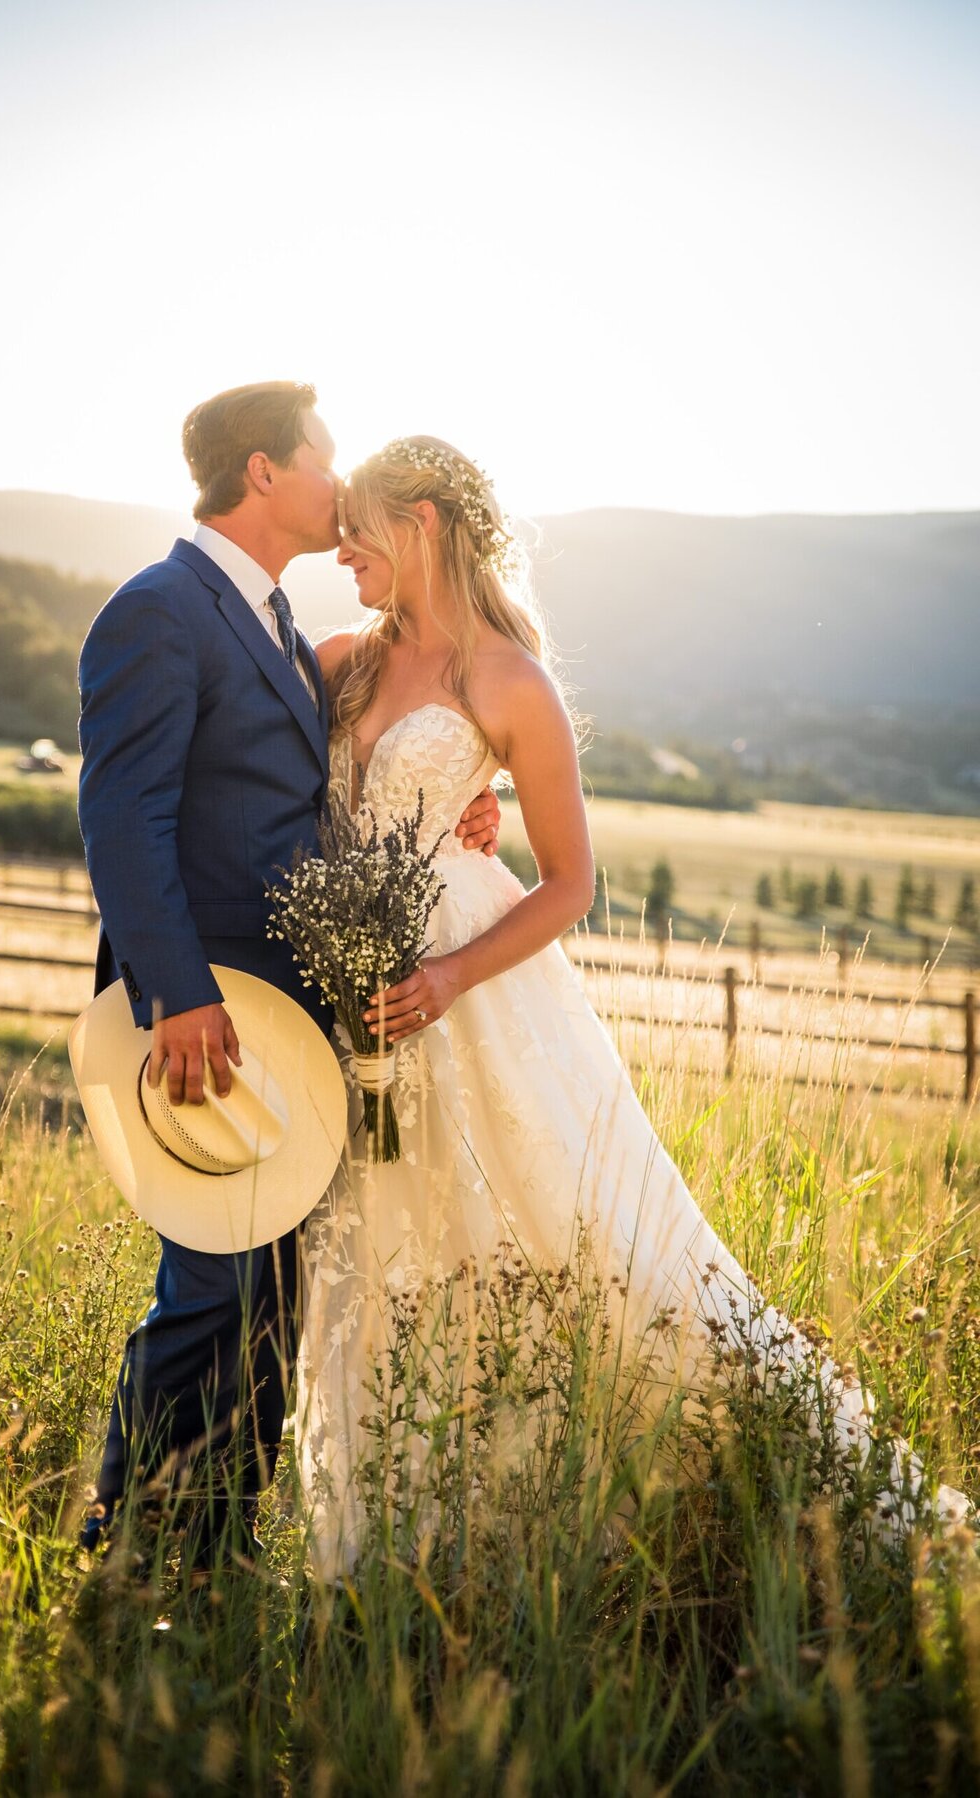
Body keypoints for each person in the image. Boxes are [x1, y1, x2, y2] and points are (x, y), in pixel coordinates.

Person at [293, 434, 971, 1581]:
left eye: (360, 525)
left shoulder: (510, 680)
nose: (341, 547)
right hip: (342, 978)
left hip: (464, 987)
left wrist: (451, 977)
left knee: (569, 1235)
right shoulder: (339, 661)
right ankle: (396, 1537)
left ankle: (745, 1496)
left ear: (423, 524)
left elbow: (569, 884)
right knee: (379, 1241)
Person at [74, 386, 502, 1562]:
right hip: (209, 1017)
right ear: (264, 472)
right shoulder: (157, 611)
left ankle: (212, 1546)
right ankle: (126, 1541)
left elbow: (336, 781)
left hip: (300, 1019)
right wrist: (180, 995)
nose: (338, 487)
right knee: (211, 1287)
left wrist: (467, 797)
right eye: (325, 463)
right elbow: (123, 824)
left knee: (275, 1301)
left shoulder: (279, 627)